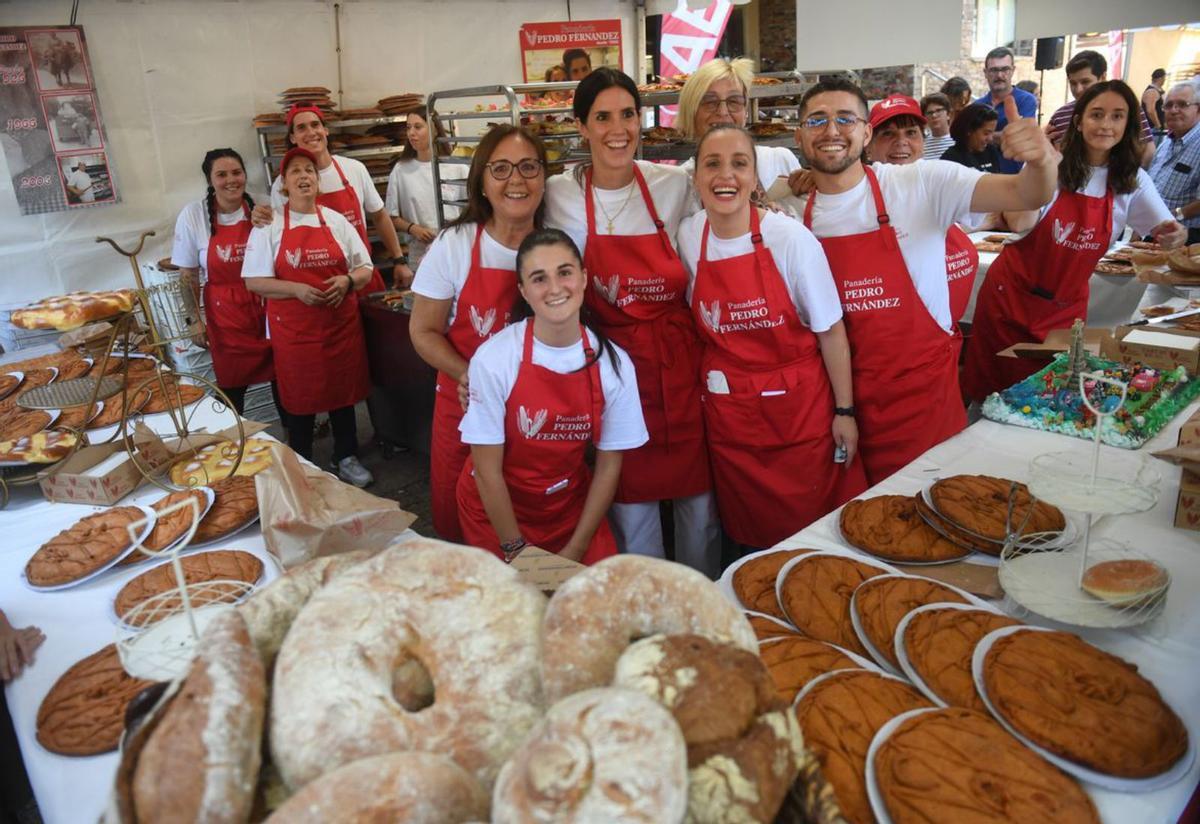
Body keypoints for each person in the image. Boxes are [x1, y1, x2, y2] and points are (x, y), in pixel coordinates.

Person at [786, 78, 1058, 485]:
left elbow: (1024, 194)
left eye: (846, 119)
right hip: (835, 406)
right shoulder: (788, 209)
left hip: (920, 402)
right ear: (800, 136)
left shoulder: (922, 184)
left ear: (863, 133)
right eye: (817, 121)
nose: (831, 131)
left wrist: (1041, 162)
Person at [545, 67, 718, 575]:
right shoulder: (560, 193)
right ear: (581, 126)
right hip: (612, 367)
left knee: (698, 500)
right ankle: (645, 605)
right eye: (602, 117)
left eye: (627, 114)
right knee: (630, 500)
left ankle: (700, 598)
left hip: (678, 360)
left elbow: (729, 202)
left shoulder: (672, 184)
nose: (618, 128)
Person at [680, 125, 864, 549]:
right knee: (747, 541)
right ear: (695, 178)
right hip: (731, 421)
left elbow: (831, 332)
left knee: (810, 541)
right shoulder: (690, 236)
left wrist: (845, 411)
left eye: (739, 164)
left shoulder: (790, 239)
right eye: (712, 164)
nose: (725, 176)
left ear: (755, 177)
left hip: (797, 418)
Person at [963, 80, 1187, 401]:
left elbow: (1166, 232)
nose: (1106, 125)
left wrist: (1174, 235)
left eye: (1117, 116)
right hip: (1010, 303)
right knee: (994, 400)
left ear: (1128, 125)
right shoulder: (1051, 164)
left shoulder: (1132, 180)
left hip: (1065, 311)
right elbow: (1021, 222)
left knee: (1052, 399)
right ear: (1079, 121)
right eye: (1097, 114)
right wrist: (1039, 166)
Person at [457, 229, 646, 563]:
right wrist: (515, 549)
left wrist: (576, 549)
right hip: (497, 513)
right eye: (539, 278)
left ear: (584, 278)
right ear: (524, 292)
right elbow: (488, 472)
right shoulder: (494, 359)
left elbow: (607, 468)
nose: (556, 288)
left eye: (565, 272)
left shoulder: (614, 366)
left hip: (569, 511)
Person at [410, 125, 547, 542]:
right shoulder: (455, 244)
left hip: (537, 414)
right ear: (482, 183)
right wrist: (469, 374)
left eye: (528, 167)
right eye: (501, 169)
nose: (516, 180)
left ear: (544, 177)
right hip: (464, 409)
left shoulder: (557, 244)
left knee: (533, 522)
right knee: (461, 529)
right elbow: (423, 331)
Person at [242, 147, 376, 487]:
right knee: (300, 398)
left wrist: (347, 281)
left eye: (309, 171)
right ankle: (301, 462)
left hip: (339, 325)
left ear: (318, 180)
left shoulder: (336, 221)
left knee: (343, 394)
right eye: (295, 172)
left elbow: (365, 268)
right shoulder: (269, 224)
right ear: (284, 184)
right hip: (297, 332)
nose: (304, 176)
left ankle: (346, 456)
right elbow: (254, 281)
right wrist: (296, 289)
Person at [171, 148, 279, 417]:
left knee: (283, 382)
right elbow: (188, 275)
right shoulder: (193, 215)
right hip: (227, 318)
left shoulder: (265, 205)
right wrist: (195, 319)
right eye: (221, 174)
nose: (231, 180)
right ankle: (238, 447)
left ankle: (294, 446)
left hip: (269, 310)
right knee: (232, 392)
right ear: (210, 181)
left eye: (236, 172)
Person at [258, 104, 405, 293]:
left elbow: (380, 216)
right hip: (318, 285)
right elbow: (280, 232)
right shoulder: (283, 183)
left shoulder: (354, 169)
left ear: (325, 130)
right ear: (293, 138)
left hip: (360, 276)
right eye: (301, 128)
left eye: (315, 125)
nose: (311, 132)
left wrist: (399, 259)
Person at [866, 95, 980, 337]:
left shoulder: (940, 184)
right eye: (888, 134)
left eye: (911, 133)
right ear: (868, 144)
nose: (901, 142)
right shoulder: (857, 198)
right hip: (894, 345)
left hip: (944, 344)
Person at [675, 57, 800, 195]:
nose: (723, 112)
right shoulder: (681, 184)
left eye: (734, 101)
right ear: (691, 112)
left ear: (745, 110)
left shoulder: (779, 160)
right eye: (710, 102)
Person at [384, 106, 468, 275]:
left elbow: (473, 210)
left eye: (418, 127)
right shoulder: (401, 170)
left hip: (457, 249)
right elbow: (391, 217)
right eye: (408, 128)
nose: (411, 133)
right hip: (420, 253)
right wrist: (414, 228)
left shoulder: (457, 168)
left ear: (435, 129)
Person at [1044, 50, 1154, 166]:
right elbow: (1053, 155)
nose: (1078, 89)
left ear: (1102, 77)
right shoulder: (1060, 115)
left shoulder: (1126, 107)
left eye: (1085, 81)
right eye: (1073, 83)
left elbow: (1147, 149)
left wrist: (1126, 177)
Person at [1148, 82, 1200, 245]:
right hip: (1154, 234)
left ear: (1198, 109)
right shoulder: (1165, 143)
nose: (1174, 110)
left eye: (1182, 105)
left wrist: (1175, 215)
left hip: (1184, 241)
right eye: (1168, 105)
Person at [974, 46, 1038, 173]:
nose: (999, 75)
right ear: (985, 73)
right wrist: (1004, 135)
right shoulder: (977, 106)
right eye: (993, 70)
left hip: (1015, 177)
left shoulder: (1026, 100)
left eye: (1005, 69)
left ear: (1013, 70)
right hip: (982, 177)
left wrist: (982, 136)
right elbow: (971, 141)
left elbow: (1022, 136)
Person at [941, 104, 1004, 172]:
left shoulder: (991, 151)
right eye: (986, 133)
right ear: (969, 130)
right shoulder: (950, 158)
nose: (990, 138)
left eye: (992, 132)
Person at [921, 93, 955, 159]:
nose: (934, 115)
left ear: (948, 114)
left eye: (938, 111)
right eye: (930, 113)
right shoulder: (921, 144)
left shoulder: (958, 141)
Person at [1143, 68, 1167, 133]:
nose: (1165, 80)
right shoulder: (1152, 92)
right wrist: (1158, 125)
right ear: (1160, 78)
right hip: (1152, 129)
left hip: (1157, 128)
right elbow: (1150, 111)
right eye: (1164, 78)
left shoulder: (1159, 90)